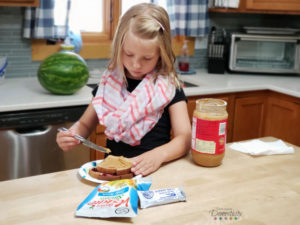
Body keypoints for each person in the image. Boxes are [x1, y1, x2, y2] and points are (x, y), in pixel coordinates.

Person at [56, 3, 191, 176]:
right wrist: (73, 133)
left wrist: (159, 155)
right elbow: (84, 124)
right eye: (129, 54)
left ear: (160, 55)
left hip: (156, 173)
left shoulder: (168, 87)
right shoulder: (109, 84)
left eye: (147, 58)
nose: (136, 64)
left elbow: (184, 138)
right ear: (119, 47)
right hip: (113, 177)